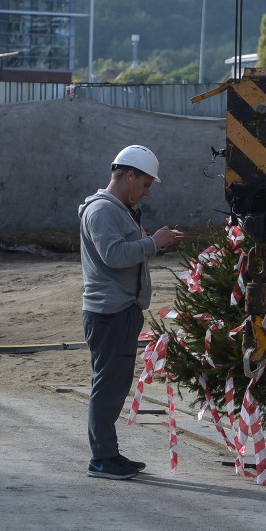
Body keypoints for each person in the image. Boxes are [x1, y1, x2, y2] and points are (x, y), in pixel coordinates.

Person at [78, 145, 184, 480]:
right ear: (129, 176)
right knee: (108, 386)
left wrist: (152, 242)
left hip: (120, 310)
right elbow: (113, 254)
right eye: (145, 184)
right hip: (110, 312)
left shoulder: (119, 210)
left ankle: (108, 454)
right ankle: (102, 459)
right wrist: (154, 242)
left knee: (113, 384)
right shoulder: (103, 211)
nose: (146, 192)